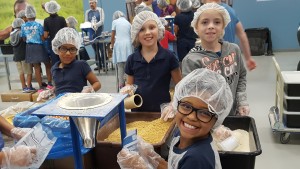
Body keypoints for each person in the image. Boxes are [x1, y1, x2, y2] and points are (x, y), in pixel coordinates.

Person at [118, 68, 233, 169]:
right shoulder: (179, 134)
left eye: (204, 113)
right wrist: (152, 158)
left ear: (216, 120)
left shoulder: (197, 159)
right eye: (186, 106)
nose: (192, 117)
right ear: (176, 103)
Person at [182, 2, 249, 116]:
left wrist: (242, 101)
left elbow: (241, 75)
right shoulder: (191, 60)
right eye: (205, 22)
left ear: (223, 26)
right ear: (196, 27)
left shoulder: (233, 50)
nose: (211, 26)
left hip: (233, 113)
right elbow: (191, 95)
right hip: (206, 118)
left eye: (217, 22)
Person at [124, 11, 182, 112]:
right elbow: (129, 85)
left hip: (163, 113)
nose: (147, 32)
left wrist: (173, 104)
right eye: (142, 29)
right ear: (136, 34)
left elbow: (180, 86)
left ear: (159, 29)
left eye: (151, 27)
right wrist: (127, 90)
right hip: (138, 114)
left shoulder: (169, 57)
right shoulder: (132, 60)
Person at [205, 0, 256, 71]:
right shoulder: (230, 11)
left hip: (212, 61)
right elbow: (242, 35)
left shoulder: (205, 12)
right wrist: (248, 58)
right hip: (230, 59)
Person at [50, 27, 101, 96]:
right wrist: (51, 91)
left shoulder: (81, 65)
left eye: (72, 49)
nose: (68, 53)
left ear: (77, 50)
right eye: (64, 49)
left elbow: (97, 83)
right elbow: (60, 85)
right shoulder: (54, 68)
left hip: (78, 103)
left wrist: (89, 90)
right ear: (57, 49)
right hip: (61, 103)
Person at [21, 4, 52, 92]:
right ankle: (49, 83)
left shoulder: (23, 26)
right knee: (47, 64)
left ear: (26, 16)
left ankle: (40, 86)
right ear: (35, 15)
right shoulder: (38, 25)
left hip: (30, 48)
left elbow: (23, 38)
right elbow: (43, 38)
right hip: (39, 47)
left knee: (36, 67)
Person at [10, 18, 35, 93]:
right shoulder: (22, 33)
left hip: (16, 57)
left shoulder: (12, 34)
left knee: (21, 73)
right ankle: (29, 86)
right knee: (29, 72)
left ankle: (23, 87)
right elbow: (27, 41)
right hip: (24, 56)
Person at [110, 11, 133, 90]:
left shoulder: (115, 22)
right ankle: (128, 84)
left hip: (119, 45)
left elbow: (112, 36)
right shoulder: (128, 23)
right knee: (128, 64)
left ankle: (121, 85)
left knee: (120, 66)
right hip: (128, 45)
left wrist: (112, 46)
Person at [43, 0, 67, 66]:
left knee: (55, 63)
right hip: (62, 43)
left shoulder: (46, 20)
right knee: (64, 61)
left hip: (53, 44)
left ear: (48, 10)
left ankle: (56, 76)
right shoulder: (62, 19)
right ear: (57, 8)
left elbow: (45, 35)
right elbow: (66, 31)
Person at [85, 0, 105, 71]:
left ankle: (104, 64)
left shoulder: (100, 10)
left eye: (92, 3)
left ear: (96, 3)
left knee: (102, 49)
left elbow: (102, 21)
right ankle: (98, 65)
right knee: (95, 50)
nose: (91, 4)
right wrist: (90, 25)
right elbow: (86, 21)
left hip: (99, 33)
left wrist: (96, 25)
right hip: (92, 34)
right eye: (90, 3)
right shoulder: (88, 12)